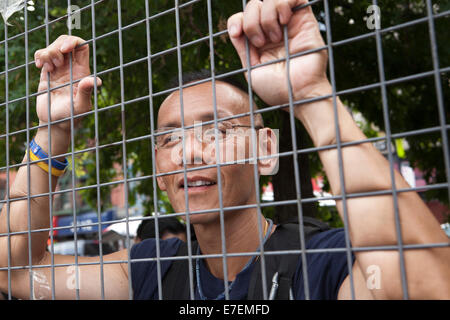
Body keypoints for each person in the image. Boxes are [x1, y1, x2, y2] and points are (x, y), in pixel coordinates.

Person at [0, 0, 449, 300]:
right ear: (159, 170)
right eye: (170, 138)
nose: (189, 152)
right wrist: (55, 130)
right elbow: (14, 270)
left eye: (215, 131)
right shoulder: (149, 272)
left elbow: (428, 281)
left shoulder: (324, 265)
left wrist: (311, 94)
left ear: (266, 149)